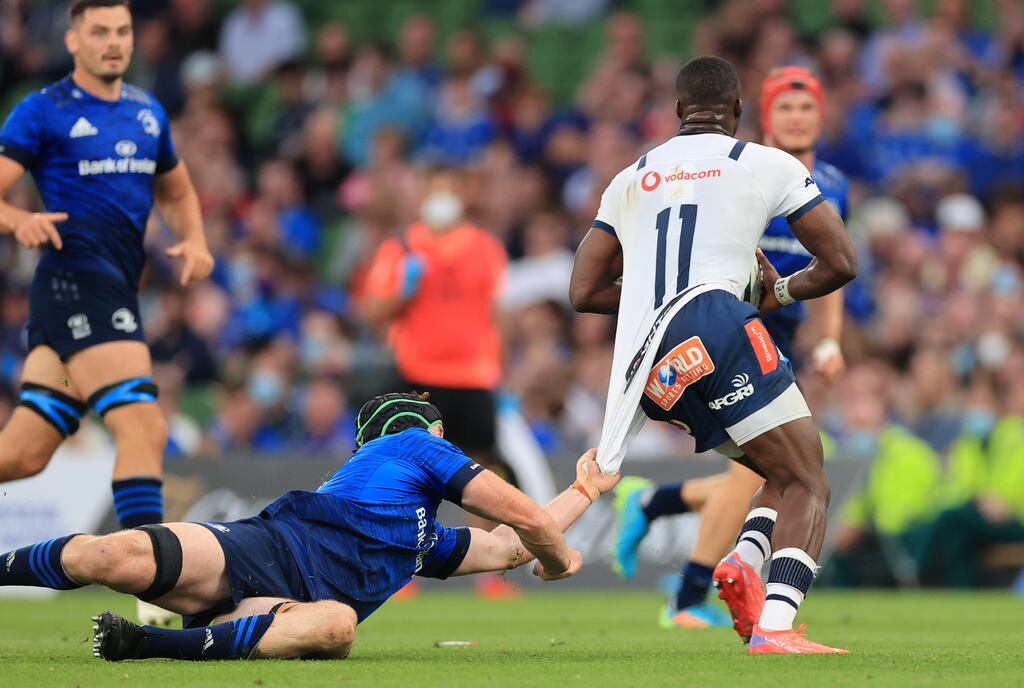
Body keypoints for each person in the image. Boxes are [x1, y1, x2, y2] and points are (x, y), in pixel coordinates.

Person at [570, 56, 856, 654]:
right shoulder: (767, 164)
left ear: (678, 111)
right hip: (725, 329)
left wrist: (655, 294)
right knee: (808, 478)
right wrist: (779, 292)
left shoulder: (630, 177)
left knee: (777, 471)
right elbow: (841, 264)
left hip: (653, 364)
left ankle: (740, 561)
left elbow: (584, 292)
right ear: (743, 112)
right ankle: (772, 626)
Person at [0, 392, 618, 661]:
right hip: (257, 550)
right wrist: (559, 558)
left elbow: (507, 548)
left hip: (282, 607)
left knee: (337, 627)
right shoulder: (413, 445)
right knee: (112, 556)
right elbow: (526, 522)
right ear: (427, 433)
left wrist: (585, 490)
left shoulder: (420, 536)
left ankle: (146, 645)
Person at [0, 0, 213, 624]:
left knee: (24, 454)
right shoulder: (43, 109)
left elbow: (176, 187)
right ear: (73, 40)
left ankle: (148, 572)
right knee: (143, 426)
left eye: (122, 30)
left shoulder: (147, 112)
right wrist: (16, 219)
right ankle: (155, 586)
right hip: (75, 288)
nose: (113, 41)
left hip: (111, 294)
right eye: (99, 31)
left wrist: (195, 239)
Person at [361, 165, 514, 597]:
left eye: (449, 189)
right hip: (418, 373)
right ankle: (398, 569)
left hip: (474, 374)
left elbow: (499, 313)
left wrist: (501, 373)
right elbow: (371, 312)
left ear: (463, 195)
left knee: (481, 468)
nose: (441, 198)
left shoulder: (485, 247)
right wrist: (403, 291)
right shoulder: (401, 247)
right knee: (406, 468)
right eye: (434, 189)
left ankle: (489, 571)